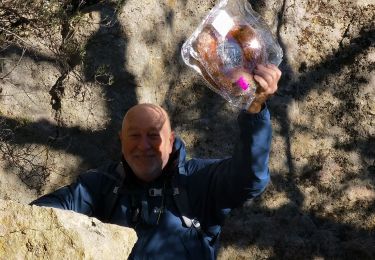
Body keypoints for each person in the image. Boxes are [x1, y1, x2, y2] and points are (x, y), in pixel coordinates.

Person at [31, 64, 281, 259]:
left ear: (171, 140)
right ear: (121, 140)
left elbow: (251, 178)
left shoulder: (198, 181)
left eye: (153, 136)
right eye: (134, 136)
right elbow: (38, 217)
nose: (143, 146)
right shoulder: (99, 186)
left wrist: (255, 106)